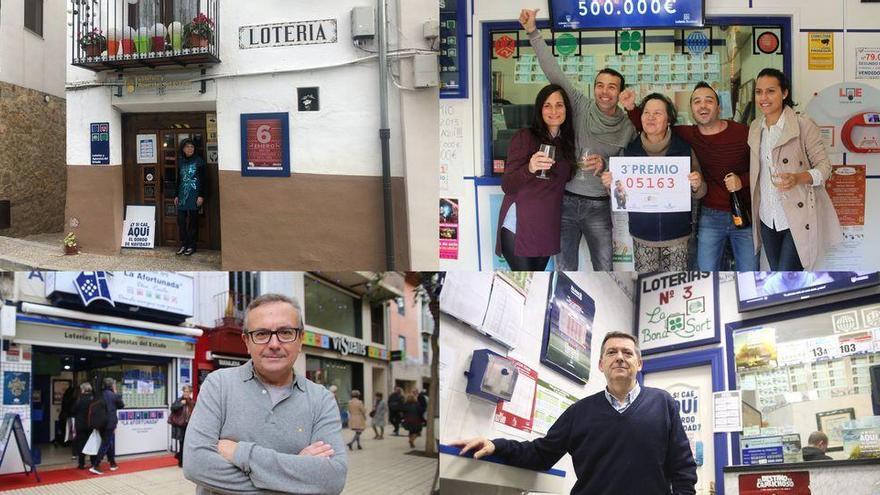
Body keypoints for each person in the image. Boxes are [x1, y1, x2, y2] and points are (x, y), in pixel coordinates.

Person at [451, 332, 697, 495]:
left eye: (627, 352)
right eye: (611, 353)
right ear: (601, 365)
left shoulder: (663, 403)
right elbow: (540, 454)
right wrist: (496, 445)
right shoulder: (579, 412)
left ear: (639, 364)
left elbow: (683, 469)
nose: (620, 358)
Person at [183, 294, 347, 494]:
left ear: (301, 339)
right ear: (246, 341)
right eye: (261, 334)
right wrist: (297, 478)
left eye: (286, 332)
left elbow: (332, 479)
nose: (274, 344)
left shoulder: (321, 399)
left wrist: (240, 453)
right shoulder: (218, 385)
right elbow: (197, 465)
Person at [519, 9, 636, 271]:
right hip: (567, 202)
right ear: (594, 88)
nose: (604, 92)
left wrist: (606, 165)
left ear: (619, 93)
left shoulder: (628, 127)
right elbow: (554, 72)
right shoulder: (580, 105)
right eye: (600, 85)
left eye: (612, 87)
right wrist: (532, 33)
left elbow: (634, 167)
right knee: (565, 268)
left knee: (605, 268)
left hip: (600, 206)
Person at [621, 81, 757, 271]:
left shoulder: (743, 132)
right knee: (705, 271)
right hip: (710, 215)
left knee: (749, 270)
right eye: (696, 101)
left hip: (744, 213)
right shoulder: (685, 135)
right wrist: (630, 108)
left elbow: (763, 167)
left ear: (719, 107)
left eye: (708, 101)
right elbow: (652, 127)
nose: (703, 105)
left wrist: (742, 181)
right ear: (691, 109)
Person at [748, 67, 842, 270]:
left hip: (796, 218)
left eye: (770, 91)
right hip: (767, 217)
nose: (763, 97)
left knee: (788, 278)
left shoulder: (802, 124)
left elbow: (825, 167)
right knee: (779, 277)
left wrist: (798, 178)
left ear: (784, 93)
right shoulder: (756, 127)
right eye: (759, 92)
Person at [602, 93, 707, 272]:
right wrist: (609, 184)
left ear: (668, 119)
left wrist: (696, 185)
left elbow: (702, 190)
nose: (650, 117)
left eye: (657, 113)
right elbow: (619, 194)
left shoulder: (683, 149)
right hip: (642, 234)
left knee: (673, 287)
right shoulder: (629, 151)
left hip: (677, 235)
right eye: (646, 112)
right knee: (647, 285)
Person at [495, 84, 574, 270]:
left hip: (547, 227)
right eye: (547, 105)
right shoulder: (525, 137)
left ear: (566, 110)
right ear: (539, 109)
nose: (554, 111)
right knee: (527, 282)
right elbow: (507, 185)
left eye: (559, 105)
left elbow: (568, 176)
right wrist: (529, 168)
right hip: (520, 227)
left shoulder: (567, 142)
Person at [173, 138, 205, 256]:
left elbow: (203, 180)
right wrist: (176, 194)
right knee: (181, 221)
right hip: (182, 195)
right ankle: (183, 244)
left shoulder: (199, 161)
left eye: (191, 146)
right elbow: (179, 179)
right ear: (183, 149)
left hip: (195, 195)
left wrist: (201, 195)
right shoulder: (181, 162)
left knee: (193, 222)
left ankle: (192, 246)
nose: (189, 149)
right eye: (187, 147)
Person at [90, 377, 125, 475]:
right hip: (110, 423)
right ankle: (96, 465)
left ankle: (112, 463)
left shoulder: (99, 394)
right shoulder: (114, 395)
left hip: (100, 422)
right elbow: (121, 405)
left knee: (107, 442)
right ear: (111, 385)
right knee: (105, 443)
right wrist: (116, 392)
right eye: (114, 384)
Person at [71, 382, 95, 470]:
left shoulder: (79, 399)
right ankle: (93, 463)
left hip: (80, 425)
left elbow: (73, 410)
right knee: (92, 443)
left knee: (81, 444)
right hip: (91, 425)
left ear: (83, 389)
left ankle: (82, 464)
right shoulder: (94, 399)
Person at [170, 384, 195, 468]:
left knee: (188, 444)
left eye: (187, 391)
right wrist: (181, 404)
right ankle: (181, 462)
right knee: (182, 444)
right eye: (184, 391)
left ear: (190, 393)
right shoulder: (179, 400)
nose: (185, 393)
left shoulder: (192, 402)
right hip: (181, 426)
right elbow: (172, 408)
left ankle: (181, 458)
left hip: (189, 426)